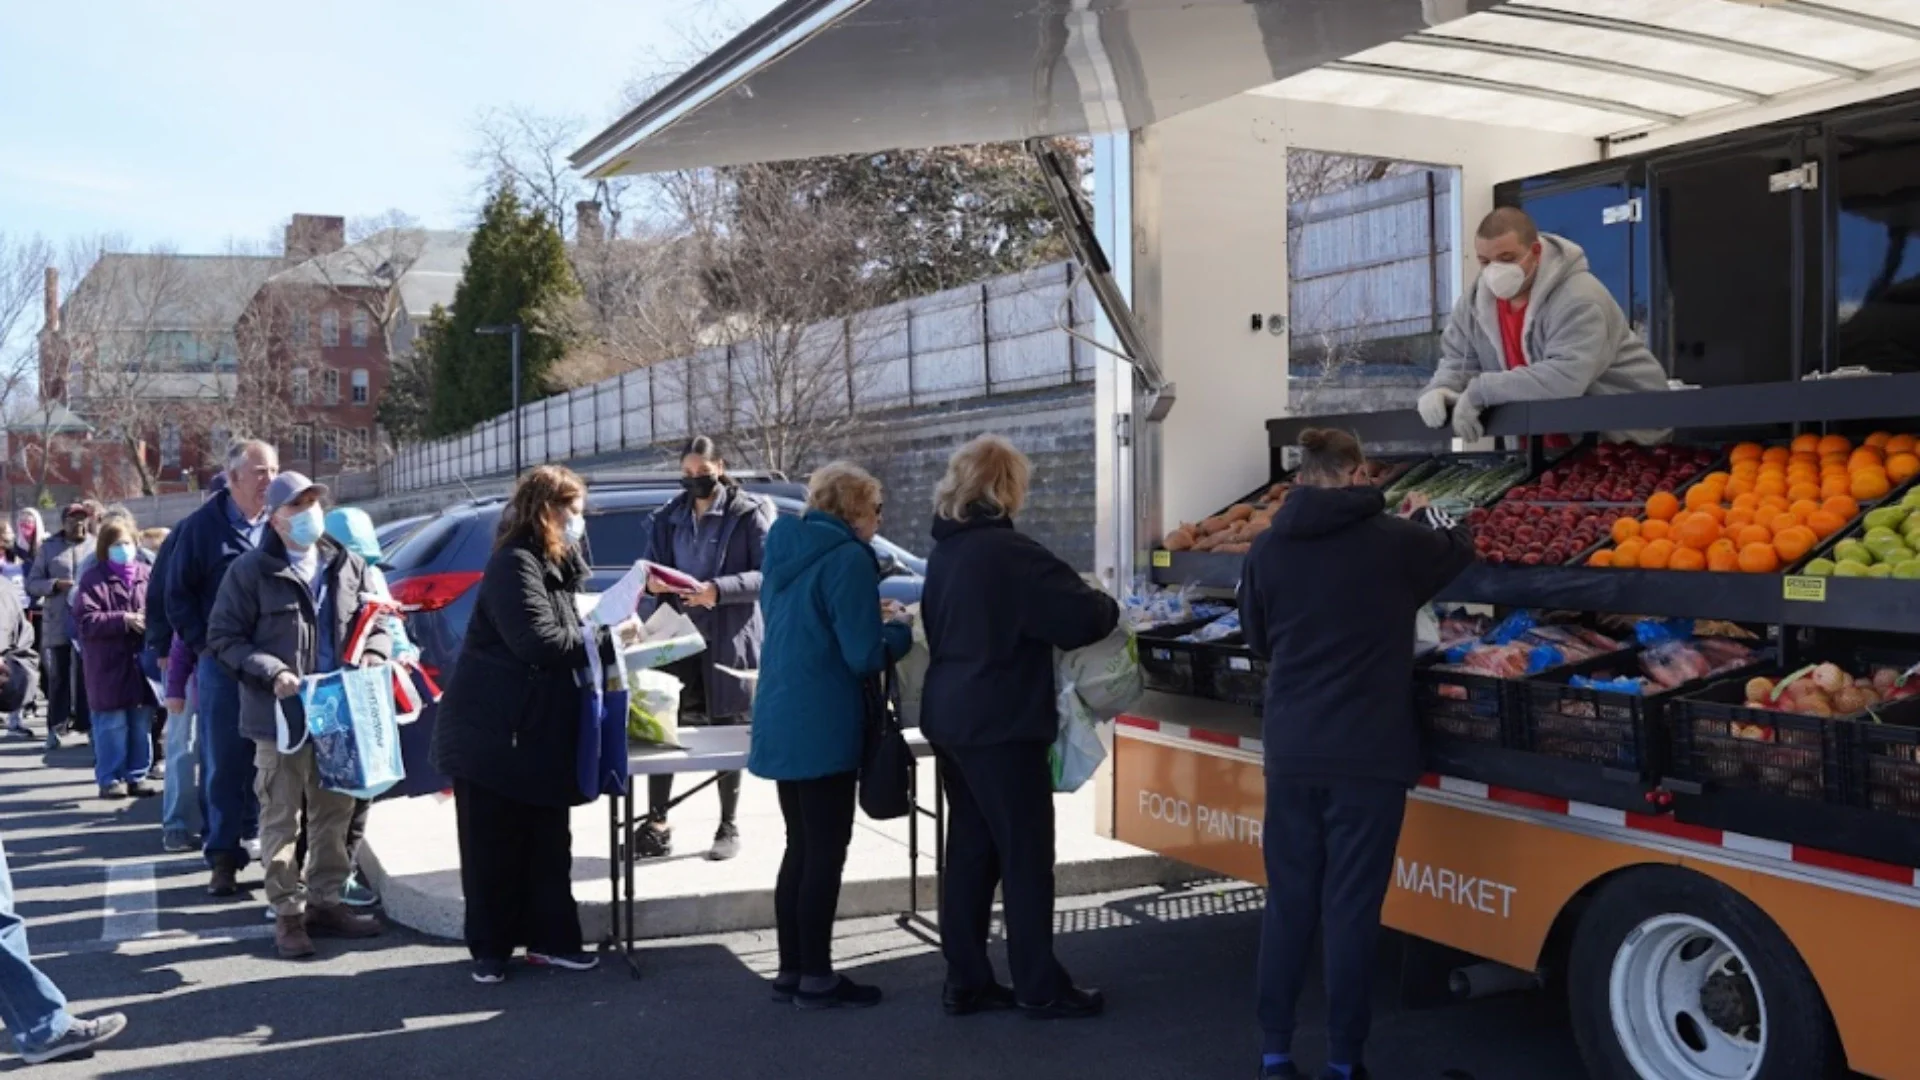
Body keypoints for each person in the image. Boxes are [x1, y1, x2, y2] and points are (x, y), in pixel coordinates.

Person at [1238, 429, 1473, 1080]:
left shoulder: (1265, 549)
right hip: (1369, 753)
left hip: (1292, 749)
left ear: (1303, 474)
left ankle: (1275, 1054)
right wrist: (1426, 510)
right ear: (1359, 472)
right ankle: (1344, 1061)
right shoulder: (1394, 542)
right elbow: (1458, 546)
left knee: (1288, 901)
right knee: (1350, 909)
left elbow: (1258, 641)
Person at [920, 435, 1119, 1020]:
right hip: (1001, 720)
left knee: (972, 851)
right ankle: (1039, 985)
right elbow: (1082, 616)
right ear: (1007, 488)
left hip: (951, 716)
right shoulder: (1012, 554)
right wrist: (1107, 604)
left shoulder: (947, 552)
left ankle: (967, 979)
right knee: (1026, 855)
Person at [431, 466, 610, 983]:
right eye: (573, 512)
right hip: (492, 734)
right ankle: (490, 952)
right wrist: (610, 638)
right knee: (492, 846)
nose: (580, 522)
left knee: (547, 841)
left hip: (531, 732)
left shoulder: (554, 566)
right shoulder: (514, 565)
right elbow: (539, 643)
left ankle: (552, 941)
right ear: (547, 512)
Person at [207, 472, 389, 960]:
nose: (309, 511)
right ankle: (287, 913)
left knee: (335, 812)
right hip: (279, 714)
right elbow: (224, 639)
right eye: (297, 505)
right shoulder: (249, 571)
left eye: (313, 501)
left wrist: (374, 652)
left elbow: (378, 620)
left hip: (337, 708)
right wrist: (273, 672)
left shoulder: (344, 563)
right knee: (281, 816)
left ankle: (326, 902)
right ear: (274, 517)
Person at [751, 463, 911, 1010]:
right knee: (825, 851)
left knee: (799, 846)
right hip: (824, 721)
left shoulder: (784, 550)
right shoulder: (847, 558)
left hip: (781, 714)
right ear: (853, 511)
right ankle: (817, 977)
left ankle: (792, 970)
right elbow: (863, 654)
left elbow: (809, 623)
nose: (879, 519)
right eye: (875, 509)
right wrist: (899, 631)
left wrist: (868, 616)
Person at [633, 436, 774, 862]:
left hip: (727, 635)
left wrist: (719, 590)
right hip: (675, 636)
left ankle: (727, 824)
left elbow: (768, 574)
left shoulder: (748, 514)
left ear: (720, 466)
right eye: (688, 473)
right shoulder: (669, 516)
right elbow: (648, 565)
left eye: (702, 472)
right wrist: (652, 582)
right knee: (664, 727)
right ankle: (657, 822)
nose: (694, 480)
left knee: (725, 727)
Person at [1418, 207, 1668, 444]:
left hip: (1625, 443)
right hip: (1541, 451)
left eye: (1507, 258)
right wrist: (1441, 389)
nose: (1495, 271)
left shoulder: (1580, 298)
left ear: (1535, 252)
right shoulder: (1473, 304)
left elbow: (1564, 376)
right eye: (1485, 262)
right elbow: (1460, 361)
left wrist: (1481, 391)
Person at [166, 440, 279, 897]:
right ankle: (223, 857)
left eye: (274, 469)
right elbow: (177, 596)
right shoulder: (200, 529)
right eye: (259, 471)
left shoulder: (281, 523)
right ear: (232, 479)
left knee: (275, 762)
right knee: (223, 761)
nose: (268, 479)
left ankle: (272, 853)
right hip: (223, 665)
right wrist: (205, 647)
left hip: (274, 665)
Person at [323, 506, 418, 908]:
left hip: (351, 698)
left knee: (354, 792)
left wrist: (398, 655)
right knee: (339, 796)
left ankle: (335, 875)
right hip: (342, 700)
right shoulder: (330, 574)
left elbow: (388, 627)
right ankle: (328, 878)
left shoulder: (359, 573)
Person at [149, 475, 221, 854]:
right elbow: (162, 590)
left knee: (217, 748)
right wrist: (161, 643)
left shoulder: (254, 531)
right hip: (182, 653)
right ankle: (176, 823)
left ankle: (215, 823)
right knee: (181, 742)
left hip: (224, 659)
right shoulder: (188, 532)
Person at [71, 520, 156, 801]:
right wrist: (124, 620)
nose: (123, 549)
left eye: (127, 543)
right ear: (105, 548)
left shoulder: (147, 574)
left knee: (140, 722)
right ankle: (110, 778)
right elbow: (86, 621)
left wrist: (149, 620)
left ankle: (137, 775)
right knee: (112, 724)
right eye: (116, 544)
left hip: (141, 661)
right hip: (107, 664)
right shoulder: (92, 579)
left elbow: (163, 608)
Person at [27, 504, 93, 750]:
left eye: (82, 518)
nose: (78, 523)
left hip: (88, 621)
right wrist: (55, 585)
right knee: (59, 676)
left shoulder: (95, 545)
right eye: (73, 519)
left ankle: (87, 726)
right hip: (58, 621)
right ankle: (56, 726)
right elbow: (32, 583)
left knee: (87, 676)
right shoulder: (49, 548)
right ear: (63, 521)